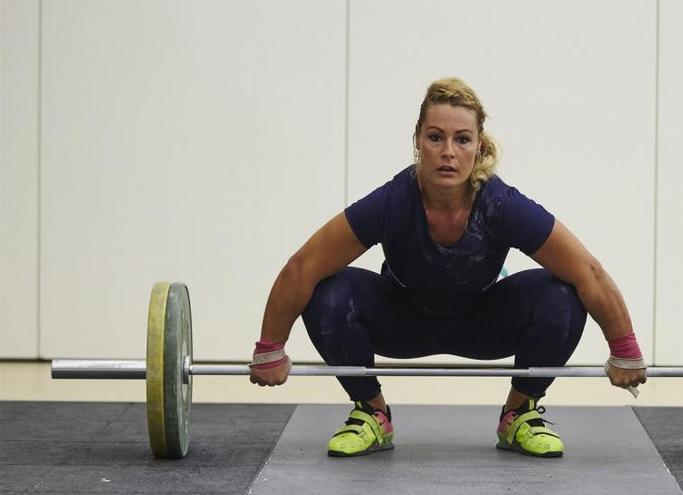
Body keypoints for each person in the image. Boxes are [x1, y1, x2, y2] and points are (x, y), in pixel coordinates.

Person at [249, 77, 647, 458]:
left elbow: (587, 272)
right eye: (435, 137)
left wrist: (624, 348)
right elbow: (303, 267)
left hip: (483, 323)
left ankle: (518, 414)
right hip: (402, 321)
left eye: (462, 139)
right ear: (418, 140)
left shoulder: (500, 204)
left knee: (562, 296)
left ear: (478, 145)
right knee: (327, 293)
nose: (448, 152)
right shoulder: (392, 201)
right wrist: (270, 347)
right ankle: (372, 412)